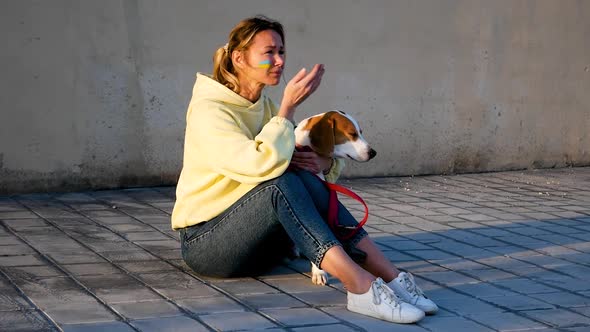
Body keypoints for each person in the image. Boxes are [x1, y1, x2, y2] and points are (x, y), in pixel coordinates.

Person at [172, 15, 438, 324]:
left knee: (294, 176)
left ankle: (391, 277)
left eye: (282, 52)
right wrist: (287, 109)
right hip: (209, 245)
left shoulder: (263, 106)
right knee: (279, 185)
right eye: (268, 53)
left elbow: (299, 159)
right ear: (239, 58)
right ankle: (361, 287)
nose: (279, 61)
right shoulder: (211, 110)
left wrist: (323, 162)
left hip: (262, 247)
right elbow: (259, 165)